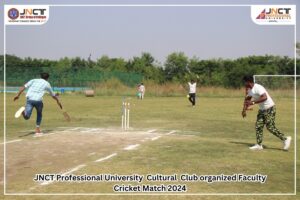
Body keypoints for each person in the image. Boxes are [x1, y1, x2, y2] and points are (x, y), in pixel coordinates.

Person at [242, 75, 291, 150]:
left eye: (245, 82)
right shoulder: (248, 90)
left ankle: (285, 139)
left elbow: (265, 97)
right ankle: (259, 145)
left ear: (248, 82)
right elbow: (247, 100)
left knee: (270, 127)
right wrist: (244, 110)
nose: (244, 84)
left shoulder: (258, 87)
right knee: (258, 126)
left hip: (270, 108)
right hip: (262, 110)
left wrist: (253, 103)